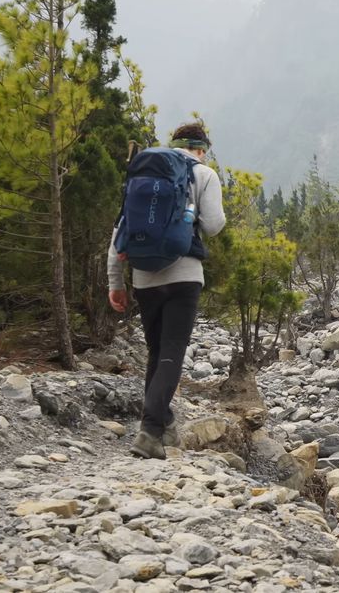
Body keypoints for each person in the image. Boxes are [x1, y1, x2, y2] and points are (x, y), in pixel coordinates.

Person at [106, 121, 226, 459]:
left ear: (173, 143)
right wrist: (190, 221)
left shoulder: (143, 174)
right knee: (172, 352)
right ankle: (149, 431)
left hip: (144, 277)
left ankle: (165, 424)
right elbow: (215, 225)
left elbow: (120, 232)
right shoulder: (203, 174)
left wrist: (115, 283)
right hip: (185, 275)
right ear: (201, 149)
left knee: (157, 353)